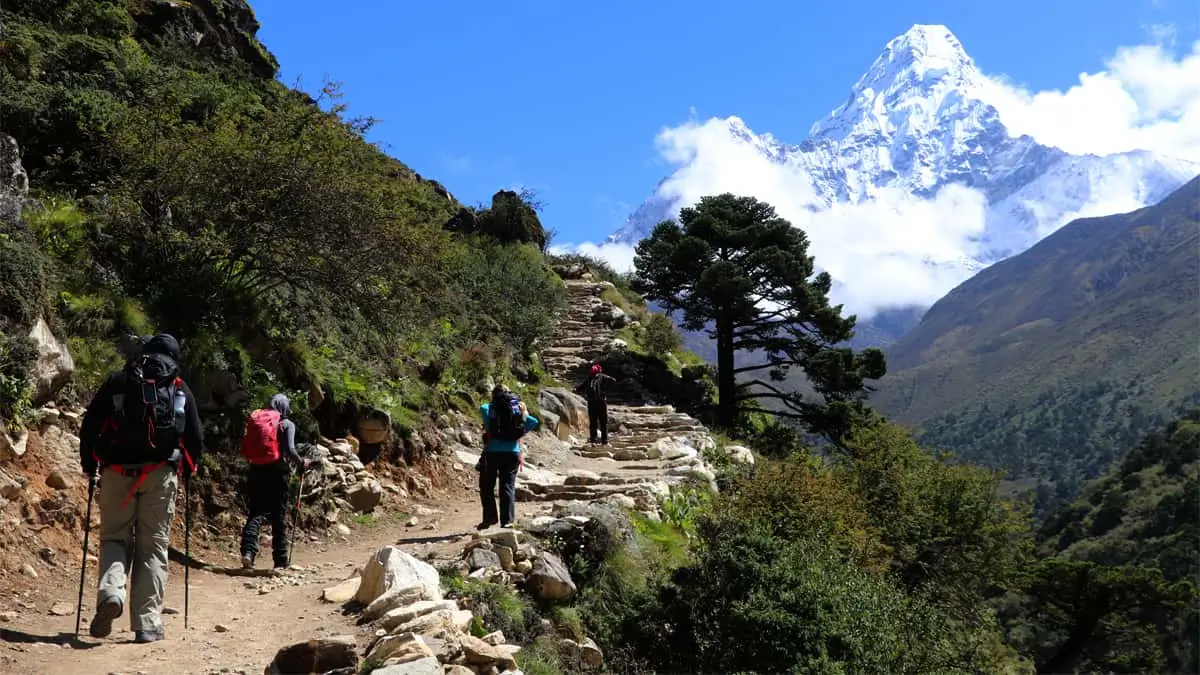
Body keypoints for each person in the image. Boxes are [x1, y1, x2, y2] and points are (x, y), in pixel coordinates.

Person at [79, 333, 203, 644]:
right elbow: (195, 436)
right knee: (153, 547)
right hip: (159, 474)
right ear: (173, 357)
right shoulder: (177, 386)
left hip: (117, 473)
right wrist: (189, 469)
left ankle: (111, 594)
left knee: (114, 538)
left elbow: (91, 424)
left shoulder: (118, 380)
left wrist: (89, 466)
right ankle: (147, 624)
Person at [239, 393, 306, 570]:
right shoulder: (287, 424)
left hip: (257, 470)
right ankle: (281, 559)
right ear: (284, 407)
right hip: (278, 473)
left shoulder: (258, 420)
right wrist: (302, 463)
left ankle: (248, 553)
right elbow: (291, 450)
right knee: (278, 515)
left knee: (256, 512)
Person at [478, 385, 539, 529]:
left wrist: (495, 403)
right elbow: (533, 421)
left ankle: (490, 518)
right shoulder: (516, 408)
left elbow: (482, 407)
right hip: (512, 452)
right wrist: (520, 431)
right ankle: (507, 521)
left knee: (487, 486)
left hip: (492, 452)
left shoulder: (490, 408)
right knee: (507, 486)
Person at [575, 364, 617, 445]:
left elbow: (613, 380)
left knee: (602, 422)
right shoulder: (589, 379)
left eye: (594, 371)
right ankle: (595, 441)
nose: (593, 373)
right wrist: (576, 389)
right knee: (596, 422)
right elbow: (581, 387)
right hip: (595, 402)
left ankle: (603, 441)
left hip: (598, 402)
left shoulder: (601, 377)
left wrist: (604, 390)